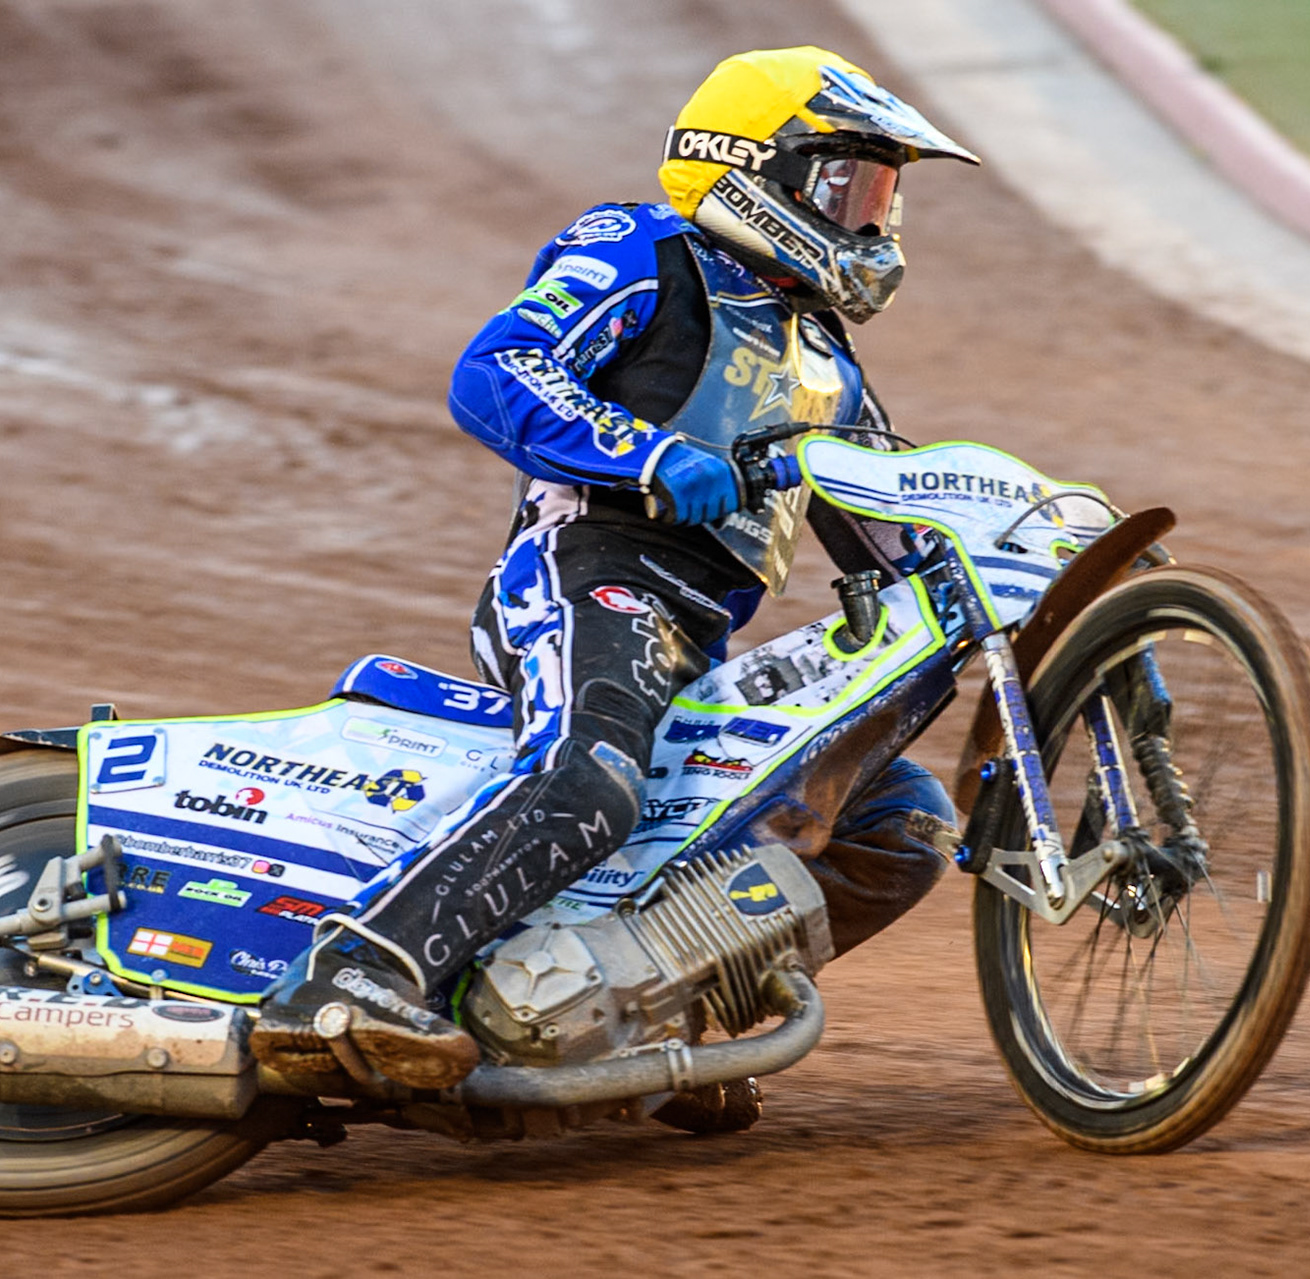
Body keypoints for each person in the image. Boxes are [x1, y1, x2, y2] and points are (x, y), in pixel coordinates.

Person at [251, 47, 981, 1095]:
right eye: (843, 185)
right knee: (595, 780)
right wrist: (646, 453)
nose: (868, 219)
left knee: (896, 825)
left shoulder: (827, 361)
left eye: (880, 194)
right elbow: (495, 369)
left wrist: (1028, 579)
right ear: (751, 170)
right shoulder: (641, 247)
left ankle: (645, 1015)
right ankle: (355, 973)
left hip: (703, 634)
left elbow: (895, 531)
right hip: (589, 566)